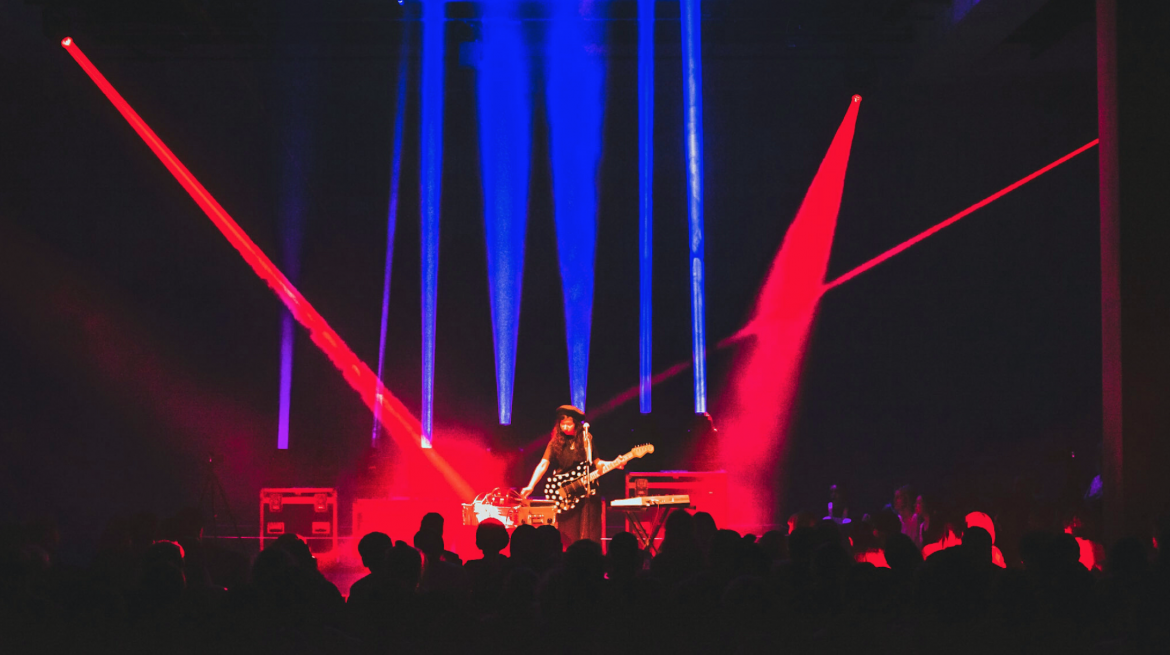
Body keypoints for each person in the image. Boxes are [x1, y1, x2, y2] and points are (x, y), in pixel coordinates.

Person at [519, 405, 624, 547]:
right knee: (568, 536)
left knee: (591, 535)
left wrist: (615, 463)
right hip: (565, 494)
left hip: (587, 493)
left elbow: (597, 463)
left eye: (569, 424)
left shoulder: (587, 439)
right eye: (562, 424)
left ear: (577, 424)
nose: (565, 427)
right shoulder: (555, 442)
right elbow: (543, 464)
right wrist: (530, 486)